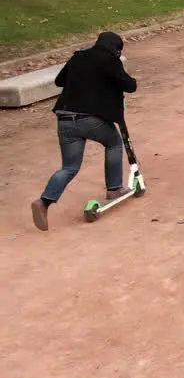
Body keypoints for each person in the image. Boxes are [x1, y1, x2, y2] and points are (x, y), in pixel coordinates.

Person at [30, 32, 138, 231]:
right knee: (113, 142)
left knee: (69, 167)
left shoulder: (79, 57)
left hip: (64, 119)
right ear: (116, 48)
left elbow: (59, 81)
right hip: (89, 119)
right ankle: (114, 188)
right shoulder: (110, 60)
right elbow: (130, 86)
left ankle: (44, 201)